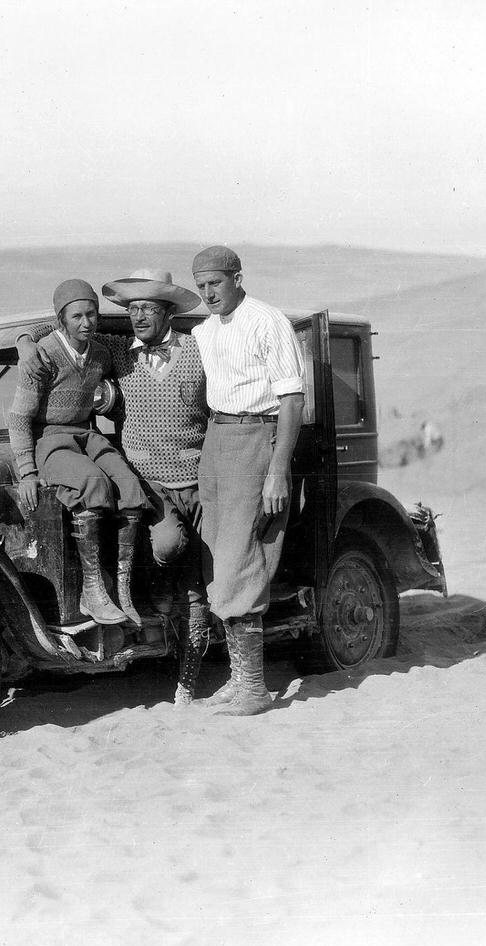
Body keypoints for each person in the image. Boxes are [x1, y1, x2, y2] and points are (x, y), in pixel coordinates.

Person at [16, 269, 212, 699]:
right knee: (166, 548)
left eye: (149, 308)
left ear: (169, 313)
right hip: (143, 475)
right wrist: (25, 341)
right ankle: (112, 591)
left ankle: (139, 609)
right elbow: (54, 326)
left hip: (198, 478)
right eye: (133, 308)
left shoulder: (192, 348)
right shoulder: (119, 351)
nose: (139, 316)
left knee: (201, 576)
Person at [190, 245, 305, 716]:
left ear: (238, 278)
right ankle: (239, 680)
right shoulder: (203, 330)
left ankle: (255, 687)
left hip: (257, 437)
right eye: (201, 286)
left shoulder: (267, 321)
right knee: (216, 554)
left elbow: (293, 400)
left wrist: (277, 469)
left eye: (215, 283)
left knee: (240, 557)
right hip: (217, 437)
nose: (208, 293)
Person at [6, 279, 149, 626]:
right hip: (50, 440)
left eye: (92, 314)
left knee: (131, 488)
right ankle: (92, 590)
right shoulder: (41, 356)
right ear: (62, 321)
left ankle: (123, 594)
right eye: (77, 317)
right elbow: (19, 417)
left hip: (87, 434)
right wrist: (26, 472)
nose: (86, 323)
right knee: (92, 483)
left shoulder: (101, 351)